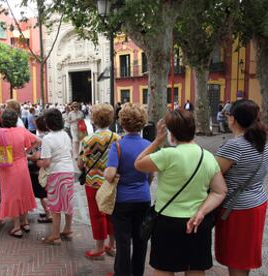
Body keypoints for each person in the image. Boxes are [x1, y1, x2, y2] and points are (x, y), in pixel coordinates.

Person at [134, 109, 227, 275]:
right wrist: (201, 212)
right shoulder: (207, 157)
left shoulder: (168, 155)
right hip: (197, 223)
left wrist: (156, 141)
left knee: (164, 268)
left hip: (167, 222)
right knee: (195, 269)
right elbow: (220, 191)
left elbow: (138, 163)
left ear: (171, 133)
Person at [214, 99, 268, 276]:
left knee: (236, 257)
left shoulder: (234, 146)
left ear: (232, 119)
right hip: (257, 202)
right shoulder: (264, 142)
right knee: (244, 256)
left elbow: (213, 174)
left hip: (236, 209)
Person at [99, 103, 151, 275]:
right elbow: (150, 175)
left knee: (123, 242)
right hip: (143, 198)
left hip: (122, 200)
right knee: (141, 241)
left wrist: (109, 172)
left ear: (122, 123)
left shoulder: (118, 145)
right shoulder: (148, 145)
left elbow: (109, 174)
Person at [0, 109, 39, 238]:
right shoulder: (21, 131)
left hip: (7, 168)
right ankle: (25, 222)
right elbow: (37, 141)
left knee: (12, 195)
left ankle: (16, 227)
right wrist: (27, 151)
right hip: (22, 166)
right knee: (24, 192)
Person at [77, 103, 120, 259]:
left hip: (93, 182)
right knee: (111, 213)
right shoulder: (117, 138)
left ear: (93, 119)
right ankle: (112, 245)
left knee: (97, 215)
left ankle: (99, 248)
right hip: (111, 182)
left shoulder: (88, 140)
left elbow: (80, 164)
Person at [37, 108, 75, 245]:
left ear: (48, 123)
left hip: (56, 173)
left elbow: (46, 162)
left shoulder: (48, 138)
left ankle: (55, 236)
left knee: (55, 206)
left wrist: (37, 162)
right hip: (69, 171)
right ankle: (68, 230)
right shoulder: (66, 135)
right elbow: (70, 154)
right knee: (67, 202)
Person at [27, 116, 52, 223]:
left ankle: (49, 214)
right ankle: (48, 212)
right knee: (47, 193)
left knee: (42, 195)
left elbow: (37, 156)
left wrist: (27, 156)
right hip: (50, 169)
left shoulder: (39, 138)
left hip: (39, 170)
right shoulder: (51, 136)